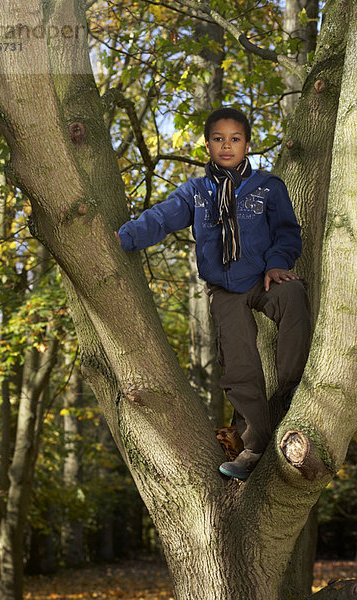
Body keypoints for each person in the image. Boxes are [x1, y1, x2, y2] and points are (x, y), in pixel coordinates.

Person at [115, 107, 311, 480]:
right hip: (224, 288)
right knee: (239, 362)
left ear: (247, 144)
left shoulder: (269, 187)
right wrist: (123, 237)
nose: (227, 145)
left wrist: (277, 263)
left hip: (264, 277)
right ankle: (252, 447)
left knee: (293, 294)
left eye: (235, 139)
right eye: (218, 139)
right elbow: (160, 218)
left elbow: (288, 232)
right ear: (207, 145)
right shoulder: (196, 192)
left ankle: (293, 391)